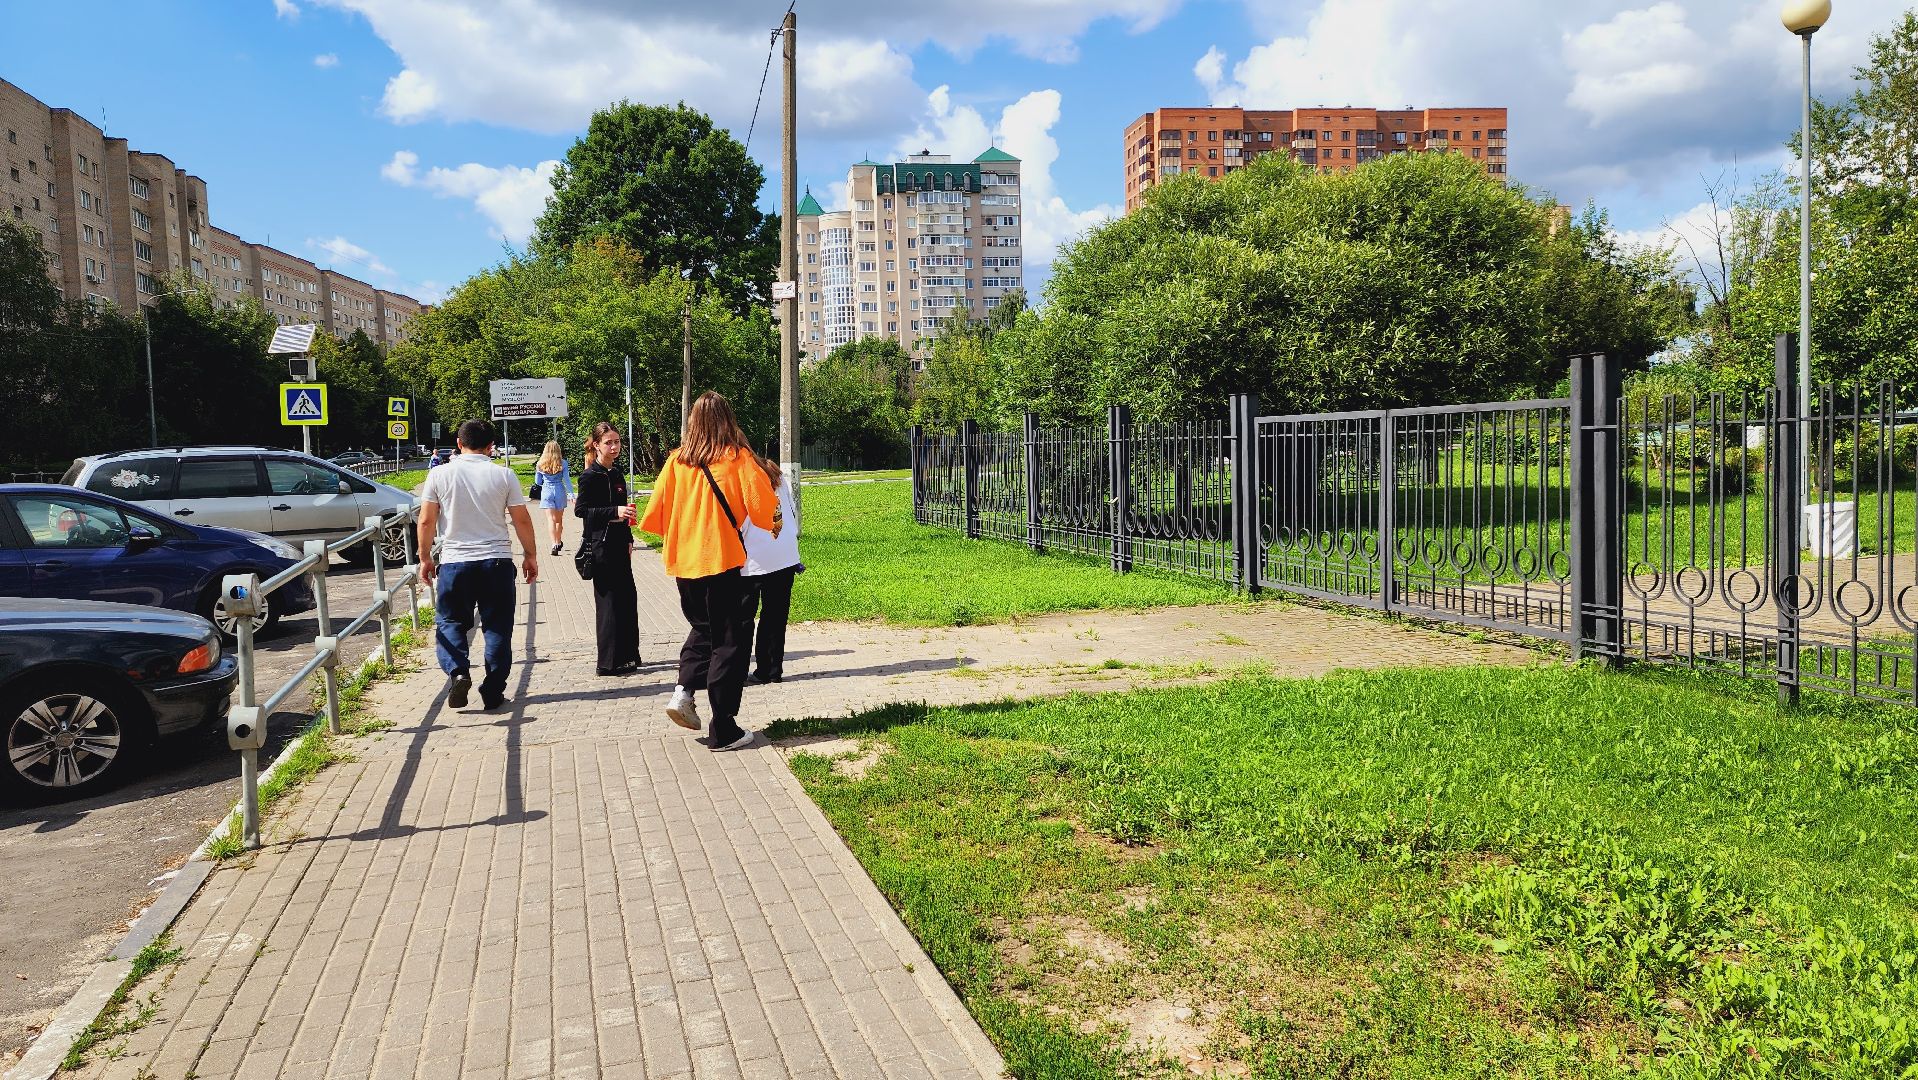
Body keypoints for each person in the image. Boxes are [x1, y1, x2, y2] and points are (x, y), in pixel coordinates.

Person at [638, 391, 777, 752]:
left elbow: (652, 518)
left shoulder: (675, 463)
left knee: (702, 630)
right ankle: (724, 728)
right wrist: (776, 525)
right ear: (729, 420)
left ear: (692, 422)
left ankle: (683, 691)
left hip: (684, 565)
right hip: (722, 561)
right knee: (730, 643)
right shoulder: (738, 459)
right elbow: (765, 510)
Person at [416, 420, 539, 711]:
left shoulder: (438, 474)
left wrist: (425, 558)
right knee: (497, 628)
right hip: (496, 561)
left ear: (459, 443)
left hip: (456, 562)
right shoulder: (504, 475)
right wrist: (530, 555)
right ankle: (493, 690)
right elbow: (521, 519)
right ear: (490, 446)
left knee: (450, 622)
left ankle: (458, 671)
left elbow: (425, 520)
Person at [575, 422, 640, 677]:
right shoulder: (590, 476)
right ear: (596, 445)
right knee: (609, 603)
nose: (614, 447)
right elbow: (582, 511)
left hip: (619, 542)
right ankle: (609, 662)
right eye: (608, 443)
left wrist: (629, 537)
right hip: (600, 545)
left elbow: (624, 510)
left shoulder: (618, 474)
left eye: (617, 442)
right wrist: (614, 512)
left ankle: (629, 656)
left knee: (627, 599)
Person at [741, 454, 801, 684]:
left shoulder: (744, 477)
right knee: (775, 616)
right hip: (784, 554)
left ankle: (737, 671)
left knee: (743, 618)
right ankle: (771, 670)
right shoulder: (777, 475)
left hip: (753, 557)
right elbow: (790, 511)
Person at [533, 440, 571, 556]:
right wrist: (571, 494)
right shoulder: (563, 463)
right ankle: (559, 542)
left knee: (551, 520)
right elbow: (567, 480)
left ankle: (553, 544)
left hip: (547, 491)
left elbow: (537, 482)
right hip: (559, 490)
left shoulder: (540, 463)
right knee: (559, 520)